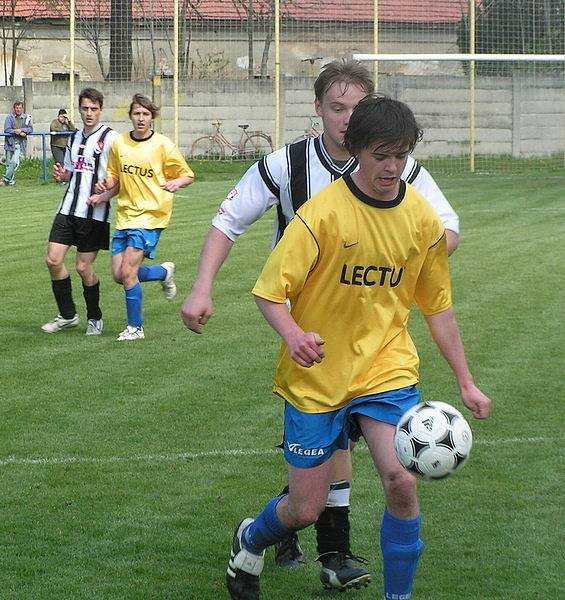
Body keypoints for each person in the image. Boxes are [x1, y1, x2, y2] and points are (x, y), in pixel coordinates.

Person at [181, 60, 460, 591]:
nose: (348, 119)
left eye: (358, 108)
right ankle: (292, 531)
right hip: (308, 334)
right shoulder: (287, 166)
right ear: (319, 110)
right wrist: (201, 288)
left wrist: (390, 261)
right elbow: (228, 221)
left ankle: (336, 553)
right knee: (316, 480)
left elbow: (445, 231)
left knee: (384, 466)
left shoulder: (399, 166)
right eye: (338, 108)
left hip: (377, 347)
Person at [226, 94, 491, 600]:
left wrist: (465, 380)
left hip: (385, 368)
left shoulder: (421, 221)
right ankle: (249, 539)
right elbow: (268, 292)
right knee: (305, 508)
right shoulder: (320, 215)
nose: (392, 167)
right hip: (317, 373)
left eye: (401, 155)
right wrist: (294, 334)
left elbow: (438, 307)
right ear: (355, 149)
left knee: (402, 480)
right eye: (381, 155)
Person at [89, 93, 194, 341]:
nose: (141, 118)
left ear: (152, 118)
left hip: (151, 217)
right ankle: (163, 272)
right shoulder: (120, 144)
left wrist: (177, 182)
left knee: (127, 271)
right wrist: (105, 188)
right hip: (125, 215)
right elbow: (115, 176)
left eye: (146, 114)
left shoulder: (163, 145)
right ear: (131, 116)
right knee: (119, 275)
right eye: (137, 113)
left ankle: (135, 328)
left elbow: (188, 175)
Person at [42, 88, 119, 336]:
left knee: (83, 268)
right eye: (85, 108)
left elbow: (121, 179)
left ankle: (95, 318)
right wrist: (62, 176)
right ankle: (67, 315)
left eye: (94, 109)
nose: (89, 113)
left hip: (94, 214)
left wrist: (106, 189)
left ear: (101, 110)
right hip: (67, 209)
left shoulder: (111, 139)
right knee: (53, 260)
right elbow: (70, 172)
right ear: (80, 109)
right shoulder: (74, 138)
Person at [2, 101, 33, 186]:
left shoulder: (27, 117)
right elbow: (7, 129)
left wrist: (22, 131)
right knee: (8, 163)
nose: (18, 109)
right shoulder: (9, 117)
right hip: (10, 142)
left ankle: (5, 179)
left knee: (14, 162)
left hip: (20, 143)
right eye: (16, 108)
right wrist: (17, 132)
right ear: (14, 109)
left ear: (22, 108)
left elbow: (30, 129)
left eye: (19, 108)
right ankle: (10, 181)